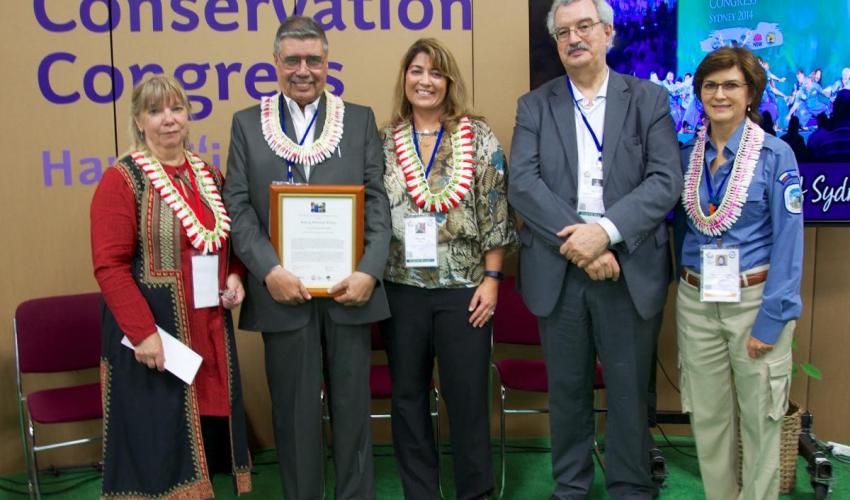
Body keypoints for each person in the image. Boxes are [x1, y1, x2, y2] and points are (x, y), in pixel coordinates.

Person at [507, 0, 682, 498]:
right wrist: (583, 242)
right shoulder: (534, 105)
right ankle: (571, 487)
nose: (574, 38)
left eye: (584, 27)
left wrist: (604, 232)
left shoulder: (649, 99)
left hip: (628, 267)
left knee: (628, 390)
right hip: (559, 267)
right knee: (567, 390)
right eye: (563, 32)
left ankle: (630, 486)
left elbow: (664, 180)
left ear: (608, 33)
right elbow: (523, 185)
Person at [221, 16, 391, 500]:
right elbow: (238, 206)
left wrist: (369, 272)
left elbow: (378, 203)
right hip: (282, 294)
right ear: (276, 62)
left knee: (353, 414)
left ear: (327, 63)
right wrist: (268, 271)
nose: (303, 70)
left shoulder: (359, 119)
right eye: (292, 60)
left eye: (313, 60)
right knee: (294, 417)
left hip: (350, 292)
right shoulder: (246, 124)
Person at [90, 74, 252, 498]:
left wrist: (235, 275)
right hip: (154, 337)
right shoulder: (122, 179)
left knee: (205, 441)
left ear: (188, 115)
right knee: (158, 445)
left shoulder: (208, 175)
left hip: (208, 330)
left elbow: (231, 242)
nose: (168, 119)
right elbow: (109, 266)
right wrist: (142, 333)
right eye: (155, 111)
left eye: (176, 109)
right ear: (138, 121)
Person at [379, 38, 516, 500]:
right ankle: (420, 493)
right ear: (405, 78)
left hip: (465, 290)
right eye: (417, 71)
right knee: (408, 398)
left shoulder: (477, 136)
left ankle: (475, 493)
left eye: (436, 72)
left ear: (449, 81)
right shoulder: (383, 141)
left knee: (467, 396)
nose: (425, 81)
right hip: (400, 289)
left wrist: (492, 281)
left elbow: (496, 213)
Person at [676, 46, 803, 500]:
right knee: (708, 420)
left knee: (761, 421)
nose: (719, 94)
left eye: (731, 85)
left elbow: (789, 241)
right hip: (696, 301)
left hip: (755, 302)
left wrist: (773, 317)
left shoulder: (775, 156)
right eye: (710, 85)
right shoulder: (686, 155)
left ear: (751, 93)